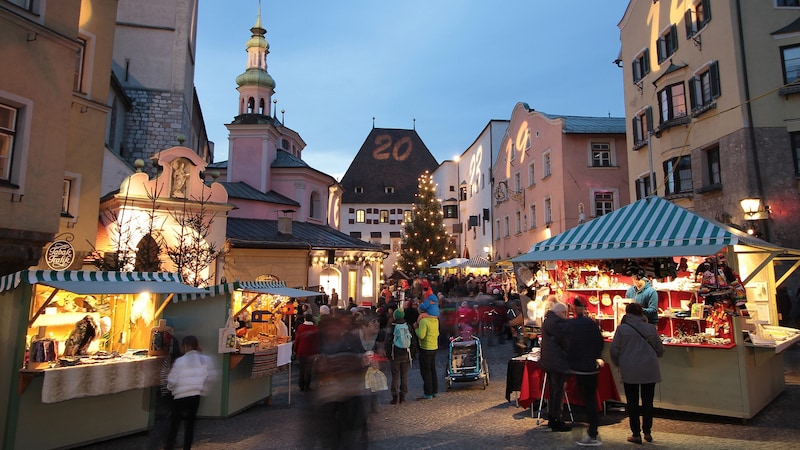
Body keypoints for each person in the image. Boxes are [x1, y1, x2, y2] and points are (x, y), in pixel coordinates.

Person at [610, 302, 665, 445]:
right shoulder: (650, 328)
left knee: (632, 402)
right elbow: (660, 349)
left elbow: (614, 350)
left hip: (629, 368)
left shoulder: (622, 329)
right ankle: (647, 432)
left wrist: (619, 363)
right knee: (648, 401)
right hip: (649, 368)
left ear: (627, 313)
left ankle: (636, 433)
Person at [567, 296, 605, 447]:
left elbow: (568, 344)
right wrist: (596, 356)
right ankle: (593, 430)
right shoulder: (592, 324)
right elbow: (600, 343)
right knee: (591, 398)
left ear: (574, 309)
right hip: (592, 366)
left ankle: (592, 433)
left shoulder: (572, 325)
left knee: (587, 399)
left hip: (579, 367)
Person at [165, 335, 214, 450]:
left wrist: (170, 388)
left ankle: (169, 446)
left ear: (185, 346)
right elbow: (208, 376)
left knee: (174, 424)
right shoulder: (203, 360)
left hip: (180, 396)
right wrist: (202, 389)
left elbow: (173, 380)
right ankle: (187, 447)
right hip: (195, 395)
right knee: (190, 424)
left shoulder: (180, 361)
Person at [538, 301, 571, 432]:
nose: (566, 316)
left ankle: (553, 418)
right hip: (557, 362)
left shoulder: (548, 321)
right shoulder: (558, 324)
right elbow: (566, 341)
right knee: (558, 391)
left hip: (550, 361)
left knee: (553, 391)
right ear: (561, 313)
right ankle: (556, 420)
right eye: (565, 313)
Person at [385, 308, 412, 404]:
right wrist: (412, 353)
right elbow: (412, 341)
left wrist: (388, 354)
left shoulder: (392, 327)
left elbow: (387, 342)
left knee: (395, 376)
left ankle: (395, 396)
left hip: (395, 355)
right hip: (406, 353)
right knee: (404, 376)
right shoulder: (407, 326)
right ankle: (403, 397)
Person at [415, 308, 440, 400]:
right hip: (434, 347)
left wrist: (416, 328)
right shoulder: (435, 320)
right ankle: (435, 391)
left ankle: (428, 393)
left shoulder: (424, 321)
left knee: (426, 371)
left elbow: (421, 335)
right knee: (433, 370)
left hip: (425, 348)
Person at [293, 313, 319, 392]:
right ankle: (307, 385)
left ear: (305, 319)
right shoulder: (315, 328)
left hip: (301, 350)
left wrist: (295, 349)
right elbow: (317, 342)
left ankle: (301, 385)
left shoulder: (300, 327)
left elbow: (297, 339)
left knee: (302, 368)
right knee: (309, 369)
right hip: (311, 352)